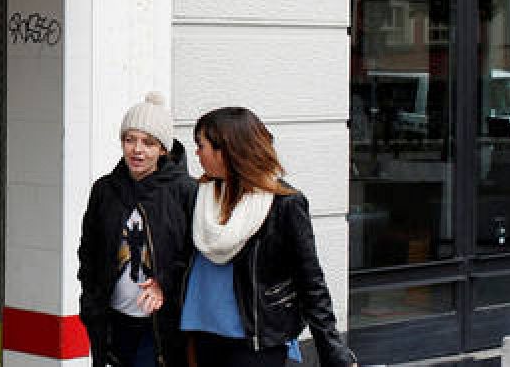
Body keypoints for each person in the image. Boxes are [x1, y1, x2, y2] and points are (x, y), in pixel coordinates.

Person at [182, 107, 357, 367]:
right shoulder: (201, 195)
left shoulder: (284, 204)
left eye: (201, 145)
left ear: (227, 151)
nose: (196, 153)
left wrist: (332, 350)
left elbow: (310, 281)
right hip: (203, 333)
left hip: (256, 339)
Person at [78, 92, 198, 367]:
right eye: (129, 139)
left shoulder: (185, 191)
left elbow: (194, 254)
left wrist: (164, 283)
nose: (137, 150)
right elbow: (89, 249)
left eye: (148, 143)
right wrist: (91, 301)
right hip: (112, 318)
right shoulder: (105, 189)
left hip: (160, 323)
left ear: (163, 149)